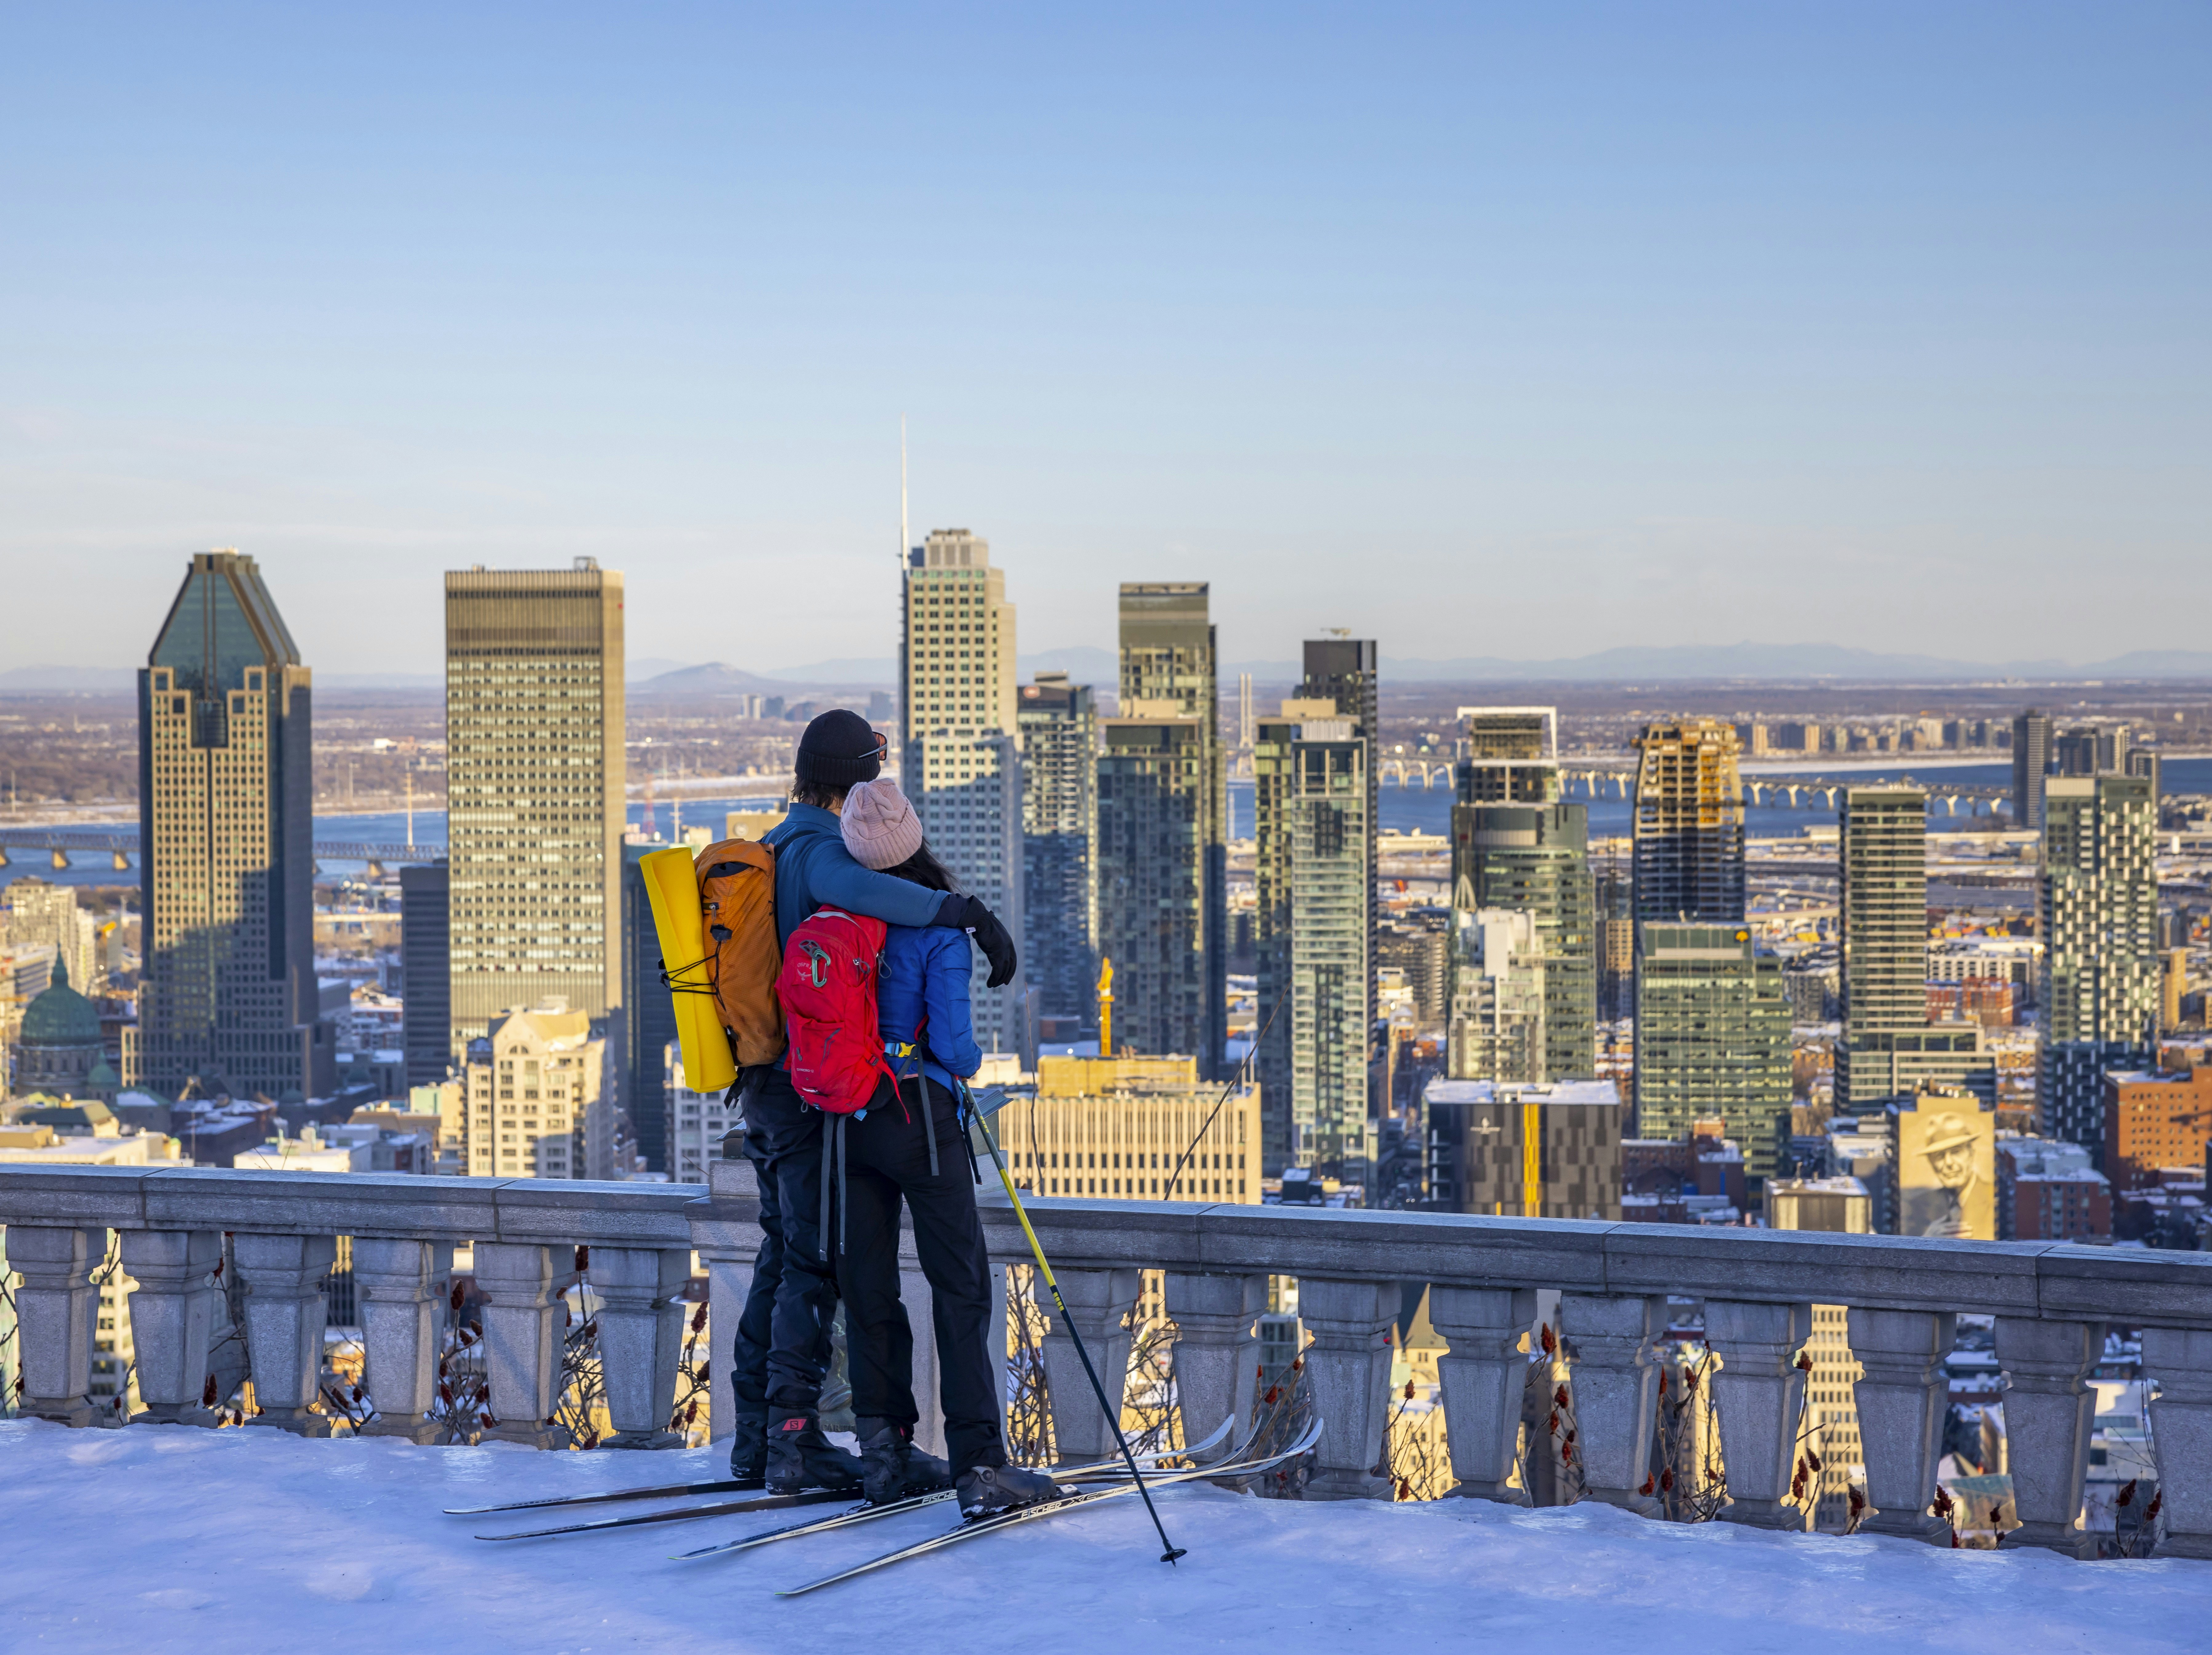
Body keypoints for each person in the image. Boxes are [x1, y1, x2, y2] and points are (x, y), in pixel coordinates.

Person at [728, 711, 1020, 1495]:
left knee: (786, 1257)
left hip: (769, 1085)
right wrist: (961, 911)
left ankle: (766, 1437)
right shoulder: (824, 853)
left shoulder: (775, 843)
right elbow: (864, 890)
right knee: (812, 1266)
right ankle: (793, 1443)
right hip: (816, 1093)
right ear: (858, 778)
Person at [832, 778, 1062, 1515]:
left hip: (846, 1120)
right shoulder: (938, 929)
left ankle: (883, 1453)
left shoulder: (835, 913)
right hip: (921, 1120)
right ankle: (979, 1464)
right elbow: (959, 1053)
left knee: (869, 1289)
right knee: (960, 1288)